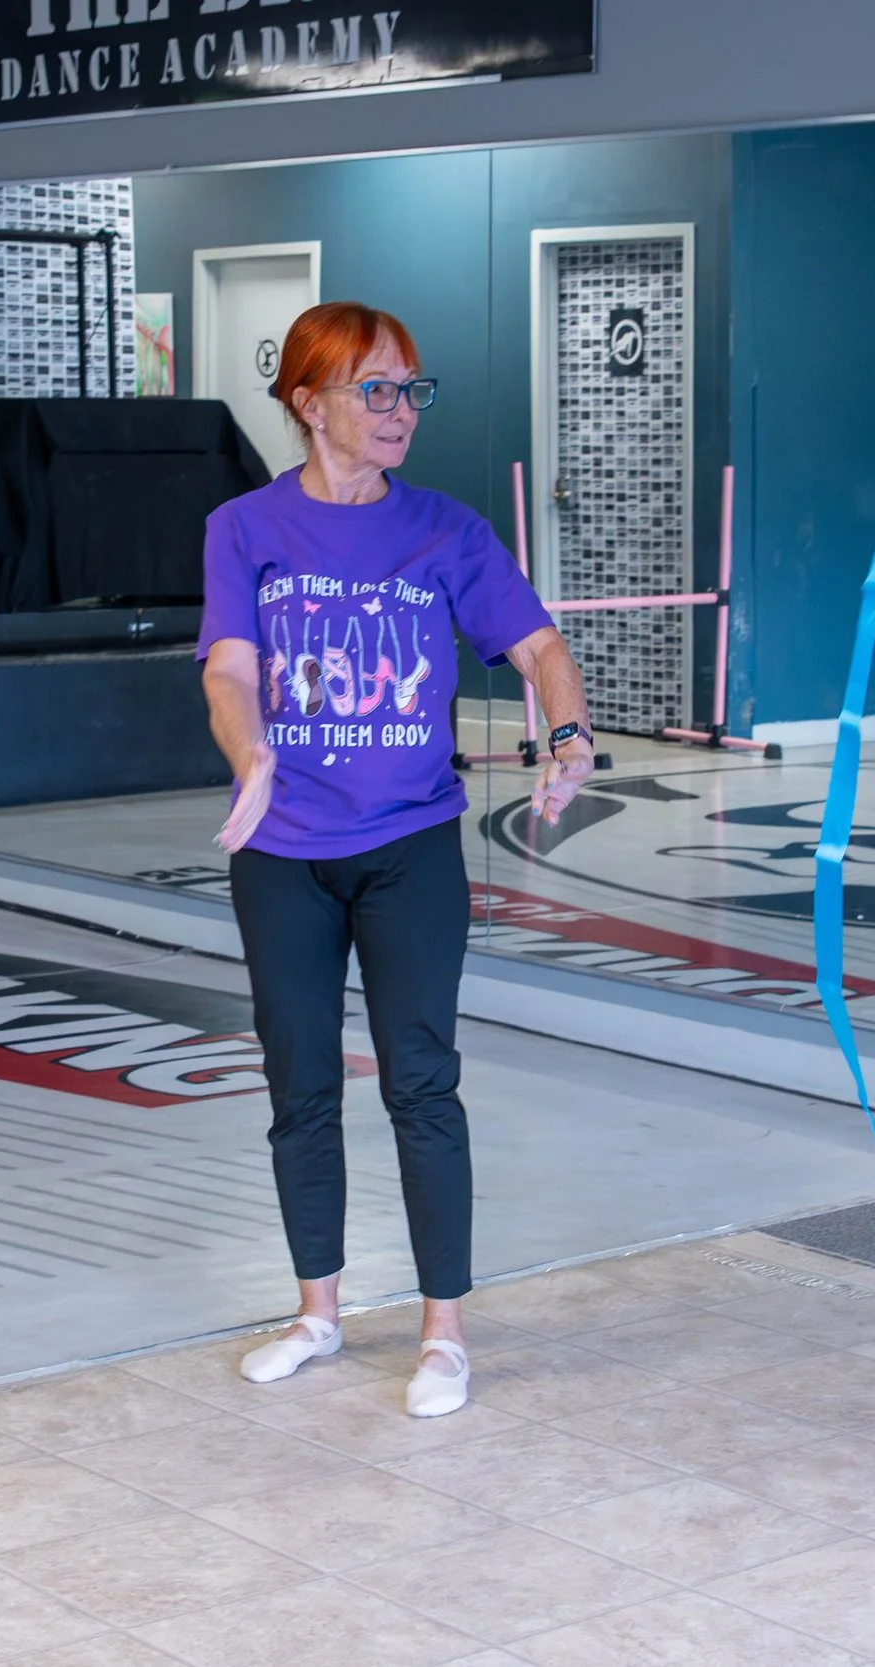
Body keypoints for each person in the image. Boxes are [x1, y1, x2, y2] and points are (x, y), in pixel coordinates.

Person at [198, 301, 598, 1419]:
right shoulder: (244, 527)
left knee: (423, 1081)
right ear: (307, 402)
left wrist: (566, 729)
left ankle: (443, 1333)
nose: (398, 411)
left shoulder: (447, 531)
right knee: (300, 1085)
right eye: (374, 389)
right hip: (281, 851)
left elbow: (538, 643)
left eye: (411, 388)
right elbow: (229, 669)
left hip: (411, 843)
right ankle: (317, 1311)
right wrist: (252, 755)